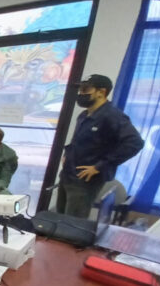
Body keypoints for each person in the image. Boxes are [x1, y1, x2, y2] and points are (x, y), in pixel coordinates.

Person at [58, 74, 144, 218]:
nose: (81, 94)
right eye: (80, 90)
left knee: (71, 224)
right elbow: (80, 142)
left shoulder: (112, 116)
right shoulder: (84, 115)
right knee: (58, 219)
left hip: (84, 181)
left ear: (101, 92)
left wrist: (100, 166)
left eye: (85, 89)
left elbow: (135, 143)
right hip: (68, 175)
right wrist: (67, 154)